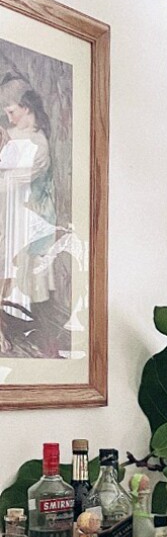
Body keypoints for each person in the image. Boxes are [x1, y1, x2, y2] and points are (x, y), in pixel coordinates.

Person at [0, 75, 59, 354]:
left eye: (11, 111)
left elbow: (13, 182)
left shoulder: (38, 143)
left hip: (26, 220)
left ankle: (36, 337)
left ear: (26, 107)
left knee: (15, 273)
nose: (9, 117)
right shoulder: (11, 134)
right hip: (7, 214)